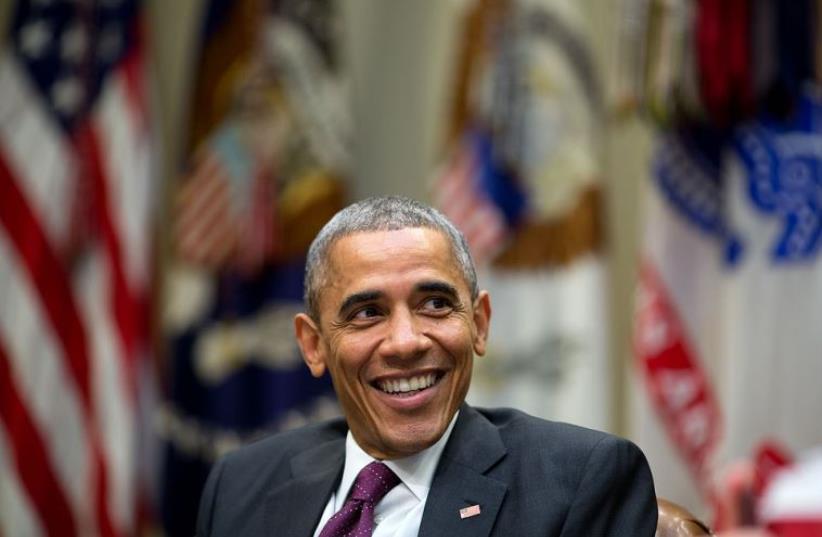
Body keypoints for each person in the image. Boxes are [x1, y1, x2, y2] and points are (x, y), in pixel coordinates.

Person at [196, 196, 657, 536]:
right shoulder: (240, 485)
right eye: (367, 313)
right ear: (313, 345)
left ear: (478, 323)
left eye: (435, 304)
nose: (405, 342)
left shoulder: (579, 482)